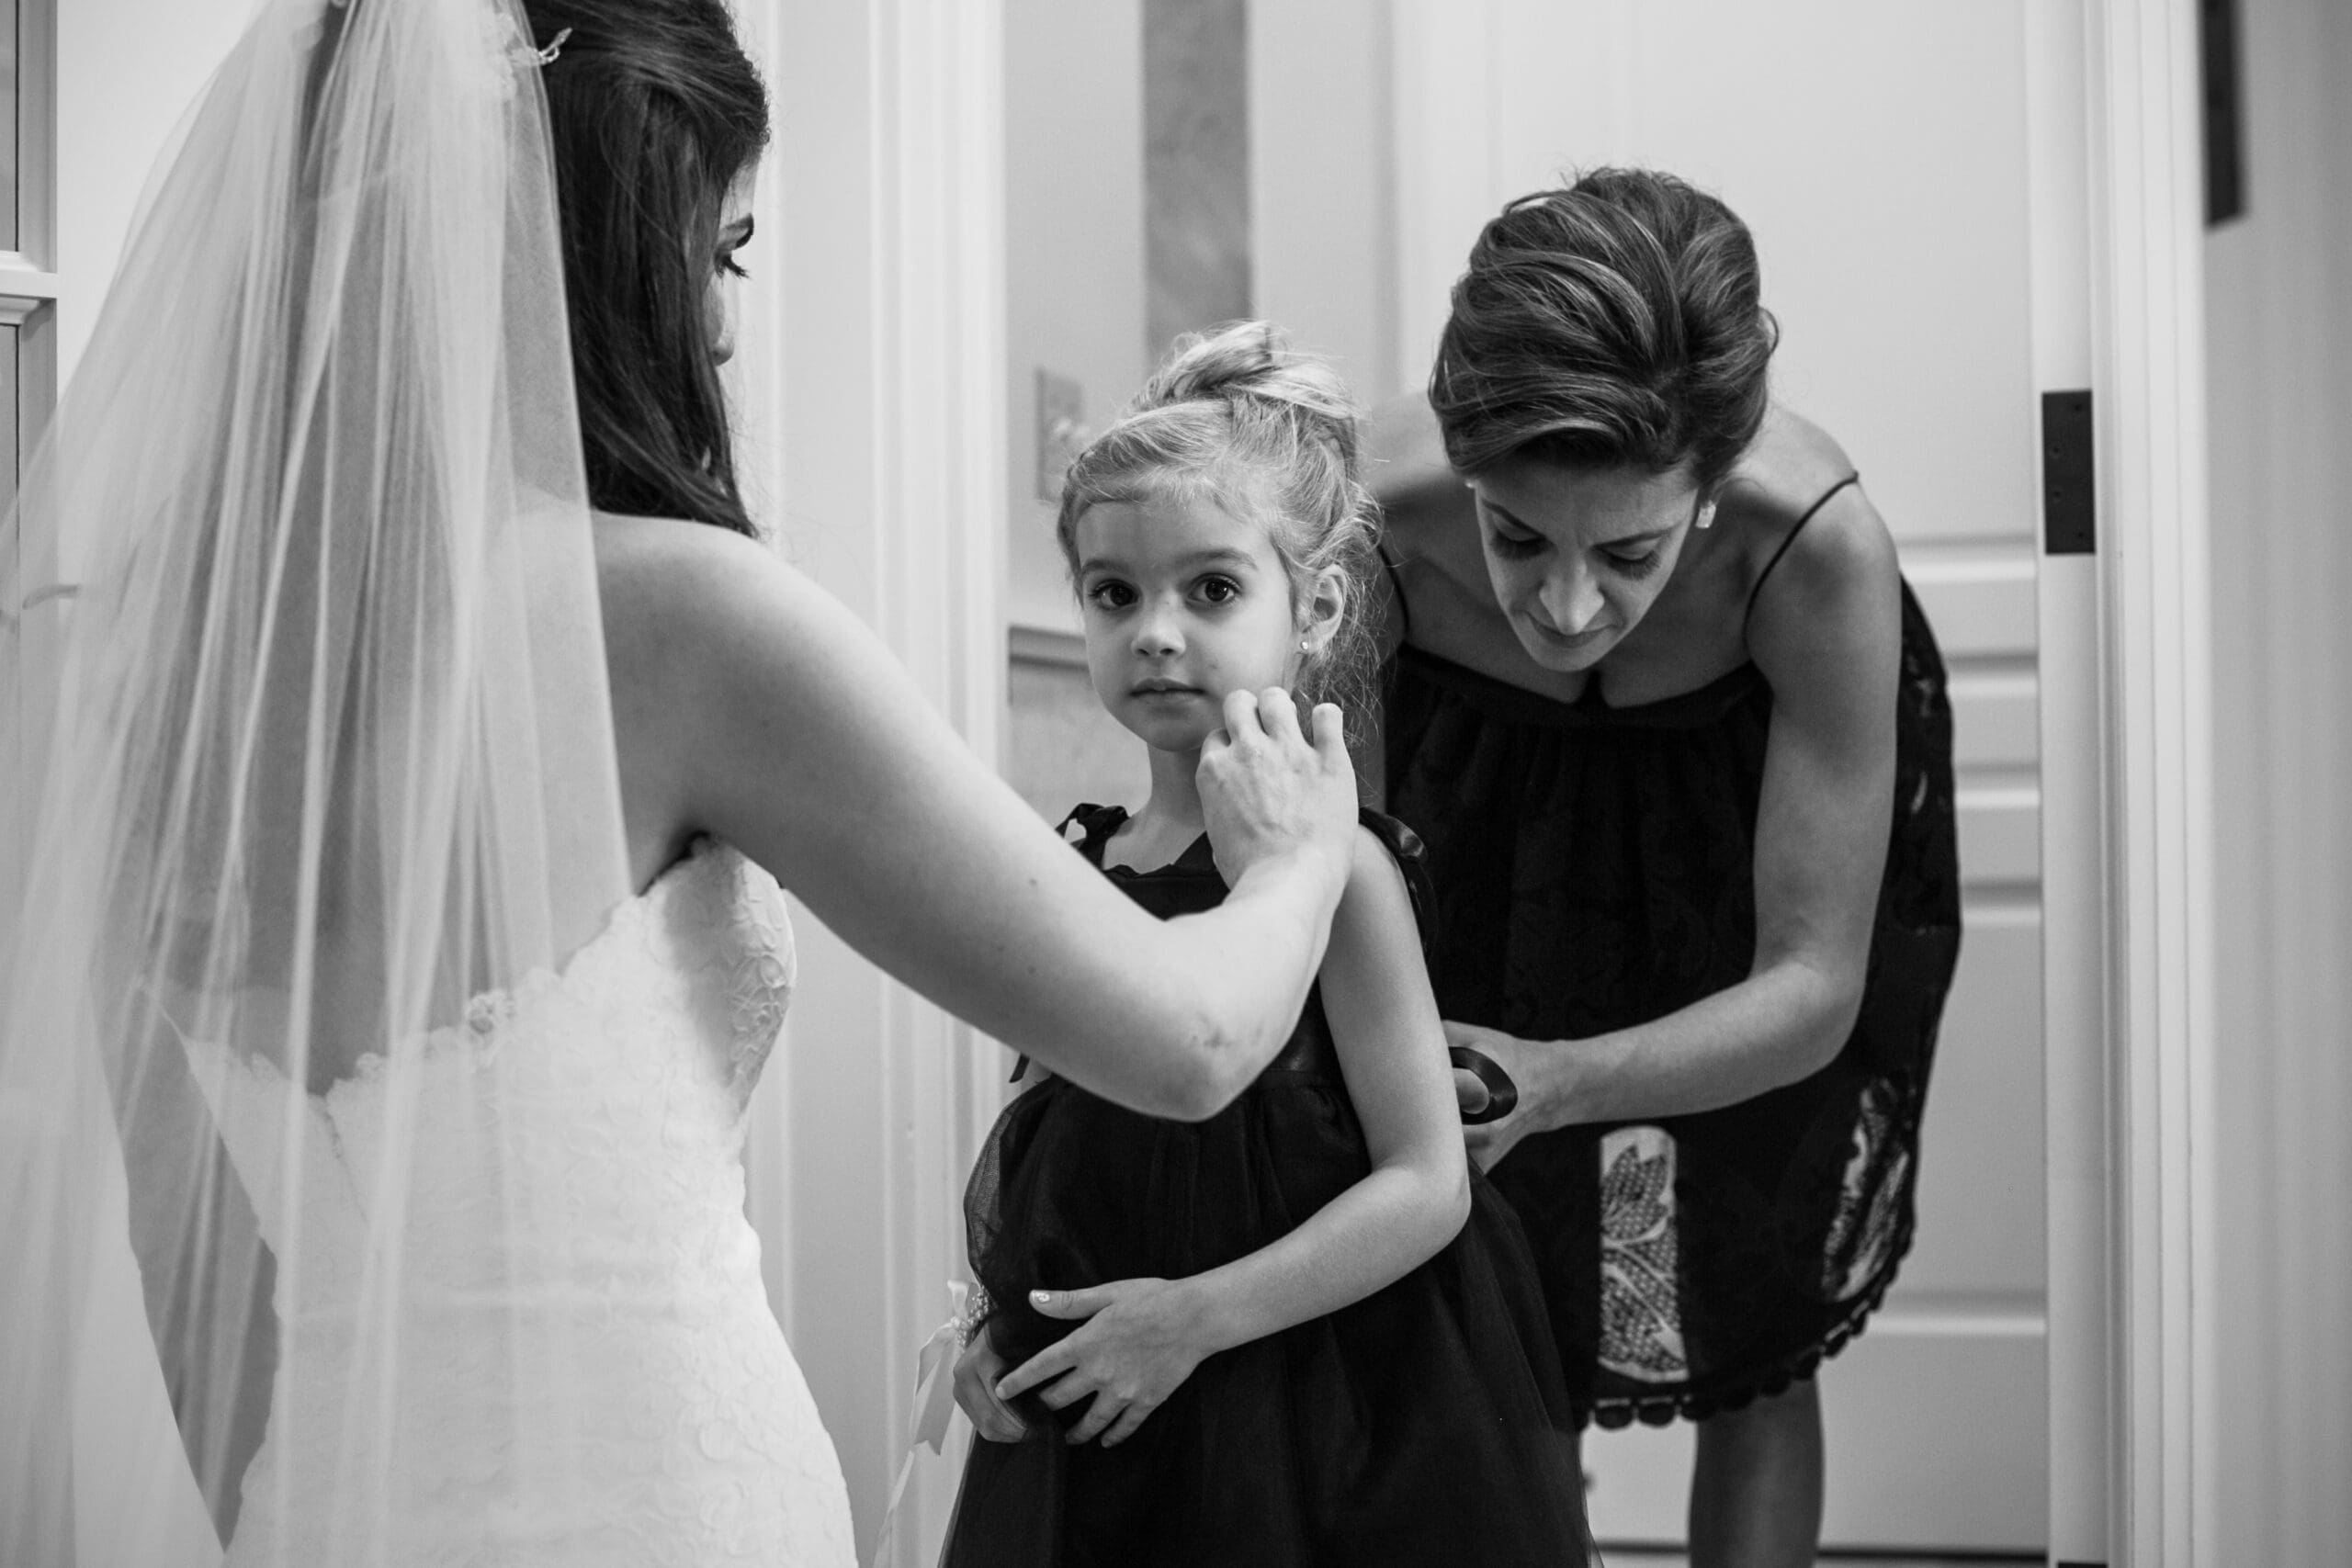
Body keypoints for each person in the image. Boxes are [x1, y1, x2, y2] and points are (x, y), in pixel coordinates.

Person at [0, 3, 1360, 1563]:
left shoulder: (123, 670)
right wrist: (1298, 860)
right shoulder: (683, 621)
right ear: (601, 256)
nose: (718, 324)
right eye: (719, 253)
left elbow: (201, 1294)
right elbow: (1187, 1043)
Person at [1372, 169, 1962, 1567]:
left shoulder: (1813, 549)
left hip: (1734, 849)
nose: (1568, 607)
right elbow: (1340, 880)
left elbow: (1810, 986)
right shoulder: (1372, 519)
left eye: (1629, 551)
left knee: (1750, 1305)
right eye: (1517, 536)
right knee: (1496, 1318)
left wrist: (1568, 1077)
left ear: (1709, 490)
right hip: (1475, 837)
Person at [938, 324, 1594, 1568]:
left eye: (1213, 590)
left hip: (1318, 1393)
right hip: (1117, 1399)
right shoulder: (1079, 860)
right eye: (1114, 594)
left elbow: (1428, 1182)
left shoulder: (1338, 870)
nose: (1156, 632)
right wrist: (995, 1322)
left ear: (1318, 606)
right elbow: (1049, 1133)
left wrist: (1195, 1319)